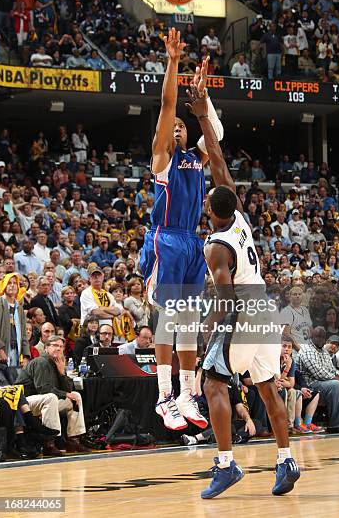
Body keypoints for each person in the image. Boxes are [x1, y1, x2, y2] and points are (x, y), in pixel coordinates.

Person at [186, 86, 299, 499]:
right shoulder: (239, 220)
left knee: (213, 384)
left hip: (244, 313)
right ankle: (286, 459)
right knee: (268, 386)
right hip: (265, 310)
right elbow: (217, 161)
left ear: (209, 210)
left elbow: (225, 297)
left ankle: (226, 464)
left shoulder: (216, 244)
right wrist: (203, 117)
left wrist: (211, 333)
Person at [140, 30, 223, 431]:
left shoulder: (196, 158)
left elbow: (217, 136)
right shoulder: (163, 160)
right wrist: (172, 62)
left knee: (189, 321)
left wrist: (205, 102)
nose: (175, 128)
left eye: (180, 127)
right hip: (166, 238)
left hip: (193, 241)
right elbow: (168, 104)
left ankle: (188, 393)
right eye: (169, 127)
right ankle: (163, 396)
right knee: (169, 320)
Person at [16, 335, 89, 456]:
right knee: (51, 397)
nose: (58, 349)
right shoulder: (41, 362)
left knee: (76, 396)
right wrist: (65, 394)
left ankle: (74, 440)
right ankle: (49, 443)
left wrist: (62, 373)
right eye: (55, 345)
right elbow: (43, 389)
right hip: (24, 402)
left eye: (61, 346)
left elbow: (68, 390)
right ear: (46, 348)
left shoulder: (57, 363)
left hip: (42, 401)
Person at [297, 326, 339, 433]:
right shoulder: (306, 350)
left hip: (324, 383)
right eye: (317, 337)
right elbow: (318, 372)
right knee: (336, 385)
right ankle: (336, 425)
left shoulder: (323, 351)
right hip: (311, 384)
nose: (320, 339)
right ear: (312, 336)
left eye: (323, 337)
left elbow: (332, 369)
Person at [0, 273, 30, 385]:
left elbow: (24, 334)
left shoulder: (19, 308)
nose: (12, 285)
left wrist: (26, 356)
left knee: (16, 386)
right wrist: (0, 350)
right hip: (0, 356)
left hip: (15, 352)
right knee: (4, 388)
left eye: (15, 283)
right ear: (4, 285)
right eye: (9, 283)